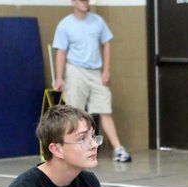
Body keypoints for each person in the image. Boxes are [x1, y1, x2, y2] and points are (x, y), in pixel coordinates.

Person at [52, 0, 132, 163]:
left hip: (95, 71)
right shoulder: (65, 25)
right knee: (74, 113)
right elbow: (61, 52)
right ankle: (72, 149)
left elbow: (106, 44)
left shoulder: (98, 21)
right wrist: (59, 77)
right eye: (81, 0)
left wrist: (106, 70)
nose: (85, 3)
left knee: (105, 109)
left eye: (87, 0)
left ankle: (118, 149)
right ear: (73, 2)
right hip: (75, 70)